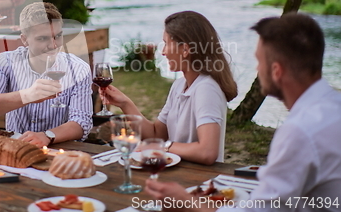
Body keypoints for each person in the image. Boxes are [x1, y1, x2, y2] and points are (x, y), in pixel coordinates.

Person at [145, 13, 341, 212]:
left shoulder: (299, 132)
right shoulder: (332, 107)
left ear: (276, 71)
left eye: (259, 61)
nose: (257, 68)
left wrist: (187, 202)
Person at [100, 11, 237, 165]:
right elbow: (156, 134)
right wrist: (124, 103)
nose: (163, 52)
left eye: (166, 43)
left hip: (199, 179)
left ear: (185, 50)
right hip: (177, 173)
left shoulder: (206, 89)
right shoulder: (179, 86)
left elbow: (207, 152)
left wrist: (163, 147)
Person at [0, 2, 93, 147]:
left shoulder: (79, 69)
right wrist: (27, 95)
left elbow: (82, 122)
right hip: (15, 148)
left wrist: (47, 136)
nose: (53, 45)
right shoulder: (7, 61)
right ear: (24, 39)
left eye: (58, 36)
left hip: (59, 151)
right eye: (43, 38)